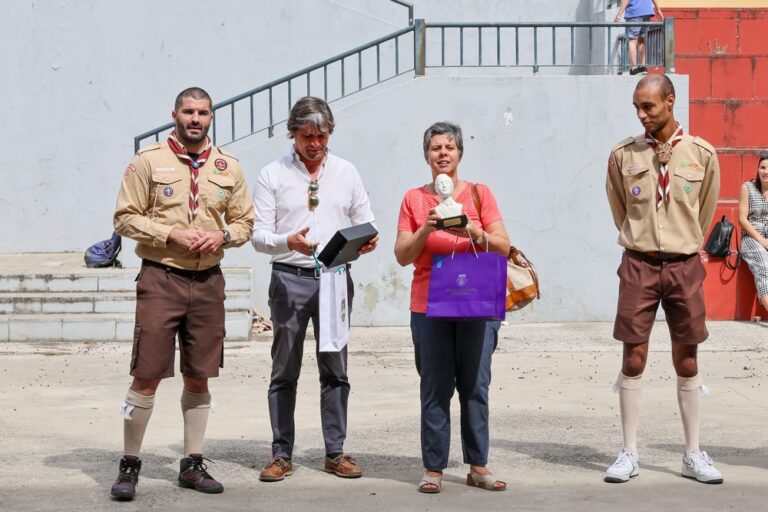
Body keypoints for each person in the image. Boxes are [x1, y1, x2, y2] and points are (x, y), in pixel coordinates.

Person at [110, 87, 255, 500]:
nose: (196, 118)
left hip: (209, 281)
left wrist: (222, 236)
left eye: (203, 113)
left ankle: (192, 463)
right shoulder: (147, 161)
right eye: (189, 111)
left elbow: (244, 222)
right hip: (162, 277)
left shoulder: (229, 166)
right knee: (147, 373)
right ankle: (130, 463)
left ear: (211, 117)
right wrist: (168, 232)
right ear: (174, 114)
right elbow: (124, 217)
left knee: (199, 373)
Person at [251, 96, 378, 482]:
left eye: (322, 136)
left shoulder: (346, 172)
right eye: (307, 136)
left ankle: (335, 452)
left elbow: (365, 220)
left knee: (335, 369)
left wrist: (367, 240)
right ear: (292, 134)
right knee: (284, 369)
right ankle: (281, 453)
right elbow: (257, 236)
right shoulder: (271, 174)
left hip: (336, 279)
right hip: (290, 279)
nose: (315, 144)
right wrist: (288, 241)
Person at [605, 74, 722, 484]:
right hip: (638, 264)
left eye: (649, 106)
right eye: (637, 107)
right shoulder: (623, 155)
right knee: (633, 355)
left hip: (683, 266)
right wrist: (644, 242)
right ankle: (629, 451)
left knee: (687, 358)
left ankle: (692, 453)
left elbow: (703, 214)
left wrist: (680, 243)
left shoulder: (702, 154)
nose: (641, 114)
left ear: (670, 102)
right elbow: (620, 209)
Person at [394, 121, 511, 493]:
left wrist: (474, 232)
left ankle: (478, 464)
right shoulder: (414, 199)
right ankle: (434, 468)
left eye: (449, 147)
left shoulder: (479, 194)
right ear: (426, 155)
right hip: (429, 305)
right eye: (435, 148)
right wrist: (426, 229)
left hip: (477, 302)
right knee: (435, 386)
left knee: (476, 385)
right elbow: (402, 255)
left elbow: (504, 246)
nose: (442, 154)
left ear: (460, 153)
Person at [737, 153, 768, 317]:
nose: (766, 171)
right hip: (751, 238)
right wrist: (762, 240)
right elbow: (742, 219)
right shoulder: (747, 187)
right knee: (764, 265)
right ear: (758, 169)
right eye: (763, 167)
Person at [614, 0, 664, 75]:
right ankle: (643, 67)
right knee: (641, 39)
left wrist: (618, 15)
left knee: (632, 40)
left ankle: (634, 68)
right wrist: (658, 9)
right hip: (646, 12)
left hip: (634, 12)